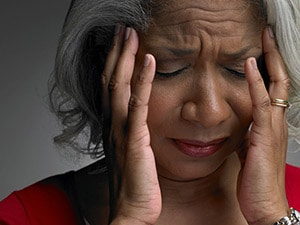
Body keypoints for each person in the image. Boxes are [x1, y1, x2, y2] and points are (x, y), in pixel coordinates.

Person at [1, 0, 300, 224]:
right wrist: (130, 218)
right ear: (104, 66)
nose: (210, 112)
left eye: (238, 70)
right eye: (170, 70)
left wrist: (272, 216)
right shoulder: (22, 217)